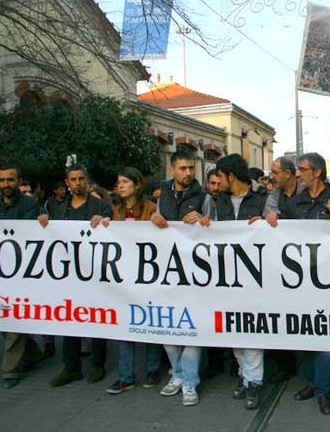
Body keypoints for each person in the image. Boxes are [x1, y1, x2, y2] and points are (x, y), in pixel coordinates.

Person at [267, 152, 330, 415]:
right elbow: (279, 229)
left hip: (329, 282)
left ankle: (324, 392)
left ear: (317, 172)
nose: (298, 174)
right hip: (299, 281)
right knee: (304, 338)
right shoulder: (294, 202)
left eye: (302, 169)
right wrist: (269, 221)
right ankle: (312, 383)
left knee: (326, 342)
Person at [0, 164, 46, 389]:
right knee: (6, 319)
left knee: (12, 318)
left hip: (23, 273)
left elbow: (28, 230)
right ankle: (33, 354)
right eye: (2, 180)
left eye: (10, 180)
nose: (6, 184)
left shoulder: (30, 204)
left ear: (18, 181)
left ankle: (10, 371)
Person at [43, 164, 112, 388]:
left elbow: (113, 233)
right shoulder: (59, 209)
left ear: (88, 181)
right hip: (68, 275)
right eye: (73, 179)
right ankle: (71, 367)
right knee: (69, 319)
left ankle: (98, 364)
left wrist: (104, 222)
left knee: (97, 318)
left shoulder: (101, 206)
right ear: (67, 183)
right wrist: (43, 224)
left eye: (82, 178)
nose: (78, 183)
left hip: (94, 272)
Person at [150, 151, 210, 406]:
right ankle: (177, 374)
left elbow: (215, 228)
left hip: (195, 274)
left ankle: (189, 382)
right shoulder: (162, 195)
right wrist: (152, 219)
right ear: (172, 169)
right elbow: (153, 224)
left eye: (191, 168)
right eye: (183, 168)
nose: (188, 173)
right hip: (166, 273)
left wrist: (203, 220)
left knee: (191, 330)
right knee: (168, 328)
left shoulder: (204, 196)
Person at [213, 154, 268, 409]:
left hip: (255, 276)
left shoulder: (263, 198)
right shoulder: (217, 201)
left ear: (230, 176)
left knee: (252, 329)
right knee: (234, 329)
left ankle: (254, 381)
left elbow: (278, 227)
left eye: (220, 177)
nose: (217, 182)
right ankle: (244, 376)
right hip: (226, 276)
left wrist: (267, 223)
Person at [104, 167, 164, 395]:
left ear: (137, 185)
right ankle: (125, 376)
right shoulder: (114, 208)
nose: (120, 185)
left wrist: (159, 221)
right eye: (118, 181)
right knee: (124, 326)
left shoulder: (150, 208)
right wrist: (102, 222)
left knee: (149, 320)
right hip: (122, 275)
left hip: (147, 274)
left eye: (125, 181)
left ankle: (152, 369)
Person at [263, 156, 301, 383]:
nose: (272, 176)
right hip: (280, 263)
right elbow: (268, 221)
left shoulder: (306, 192)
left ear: (289, 173)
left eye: (276, 172)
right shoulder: (273, 195)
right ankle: (285, 364)